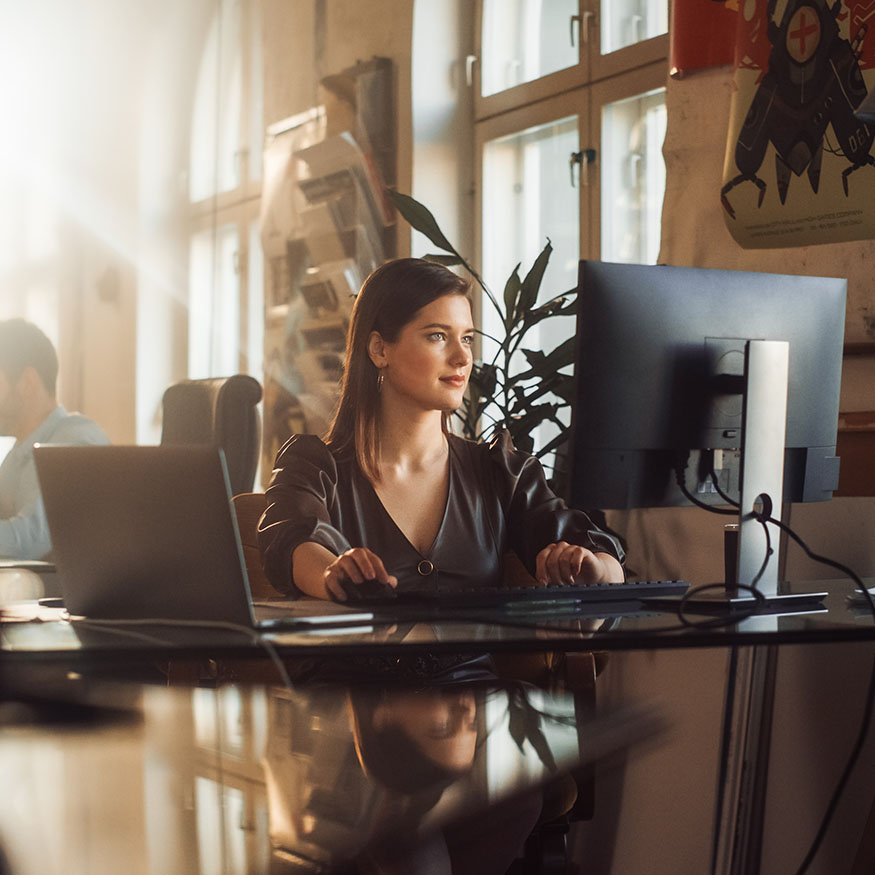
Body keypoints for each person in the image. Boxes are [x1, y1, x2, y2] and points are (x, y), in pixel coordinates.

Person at [258, 257, 624, 601]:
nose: (463, 357)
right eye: (437, 336)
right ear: (379, 349)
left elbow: (605, 560)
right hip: (351, 670)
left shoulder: (501, 471)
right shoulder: (314, 466)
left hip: (475, 673)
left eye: (466, 338)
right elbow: (292, 542)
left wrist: (594, 569)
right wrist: (331, 574)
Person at [0, 318, 109, 559]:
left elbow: (28, 541)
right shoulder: (16, 458)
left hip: (66, 595)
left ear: (27, 383)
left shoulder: (76, 444)